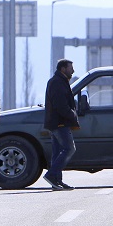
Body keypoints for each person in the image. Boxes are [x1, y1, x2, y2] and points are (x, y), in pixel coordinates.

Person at [42, 59, 80, 191]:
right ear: (63, 69)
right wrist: (72, 114)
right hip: (59, 123)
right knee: (70, 149)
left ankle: (57, 181)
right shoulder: (57, 83)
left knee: (57, 152)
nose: (73, 71)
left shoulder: (60, 81)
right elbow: (60, 105)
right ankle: (51, 175)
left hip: (59, 122)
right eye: (70, 68)